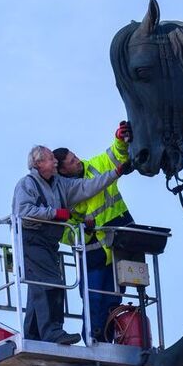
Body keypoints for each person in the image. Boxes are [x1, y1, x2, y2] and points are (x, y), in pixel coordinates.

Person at [11, 145, 132, 345]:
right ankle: (53, 332)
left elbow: (87, 187)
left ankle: (33, 335)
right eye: (51, 158)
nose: (55, 162)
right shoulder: (27, 184)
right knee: (52, 282)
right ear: (38, 163)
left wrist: (114, 173)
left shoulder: (60, 184)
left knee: (39, 286)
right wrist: (55, 214)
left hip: (49, 243)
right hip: (31, 239)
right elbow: (23, 211)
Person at [53, 121, 134, 343]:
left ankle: (110, 342)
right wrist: (84, 230)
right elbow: (64, 233)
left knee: (115, 301)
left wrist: (119, 139)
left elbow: (117, 154)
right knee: (94, 302)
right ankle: (93, 343)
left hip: (119, 246)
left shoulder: (97, 164)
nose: (77, 161)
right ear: (61, 170)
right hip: (93, 254)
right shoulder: (60, 194)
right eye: (71, 162)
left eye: (75, 156)